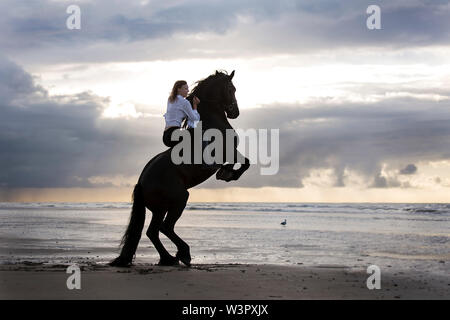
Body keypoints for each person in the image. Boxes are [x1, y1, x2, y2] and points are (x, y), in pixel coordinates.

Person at [162, 80, 221, 169]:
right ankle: (207, 162)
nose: (188, 91)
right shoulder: (184, 102)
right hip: (174, 134)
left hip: (166, 136)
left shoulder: (170, 99)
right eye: (185, 89)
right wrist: (195, 106)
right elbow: (195, 119)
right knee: (201, 133)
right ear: (178, 89)